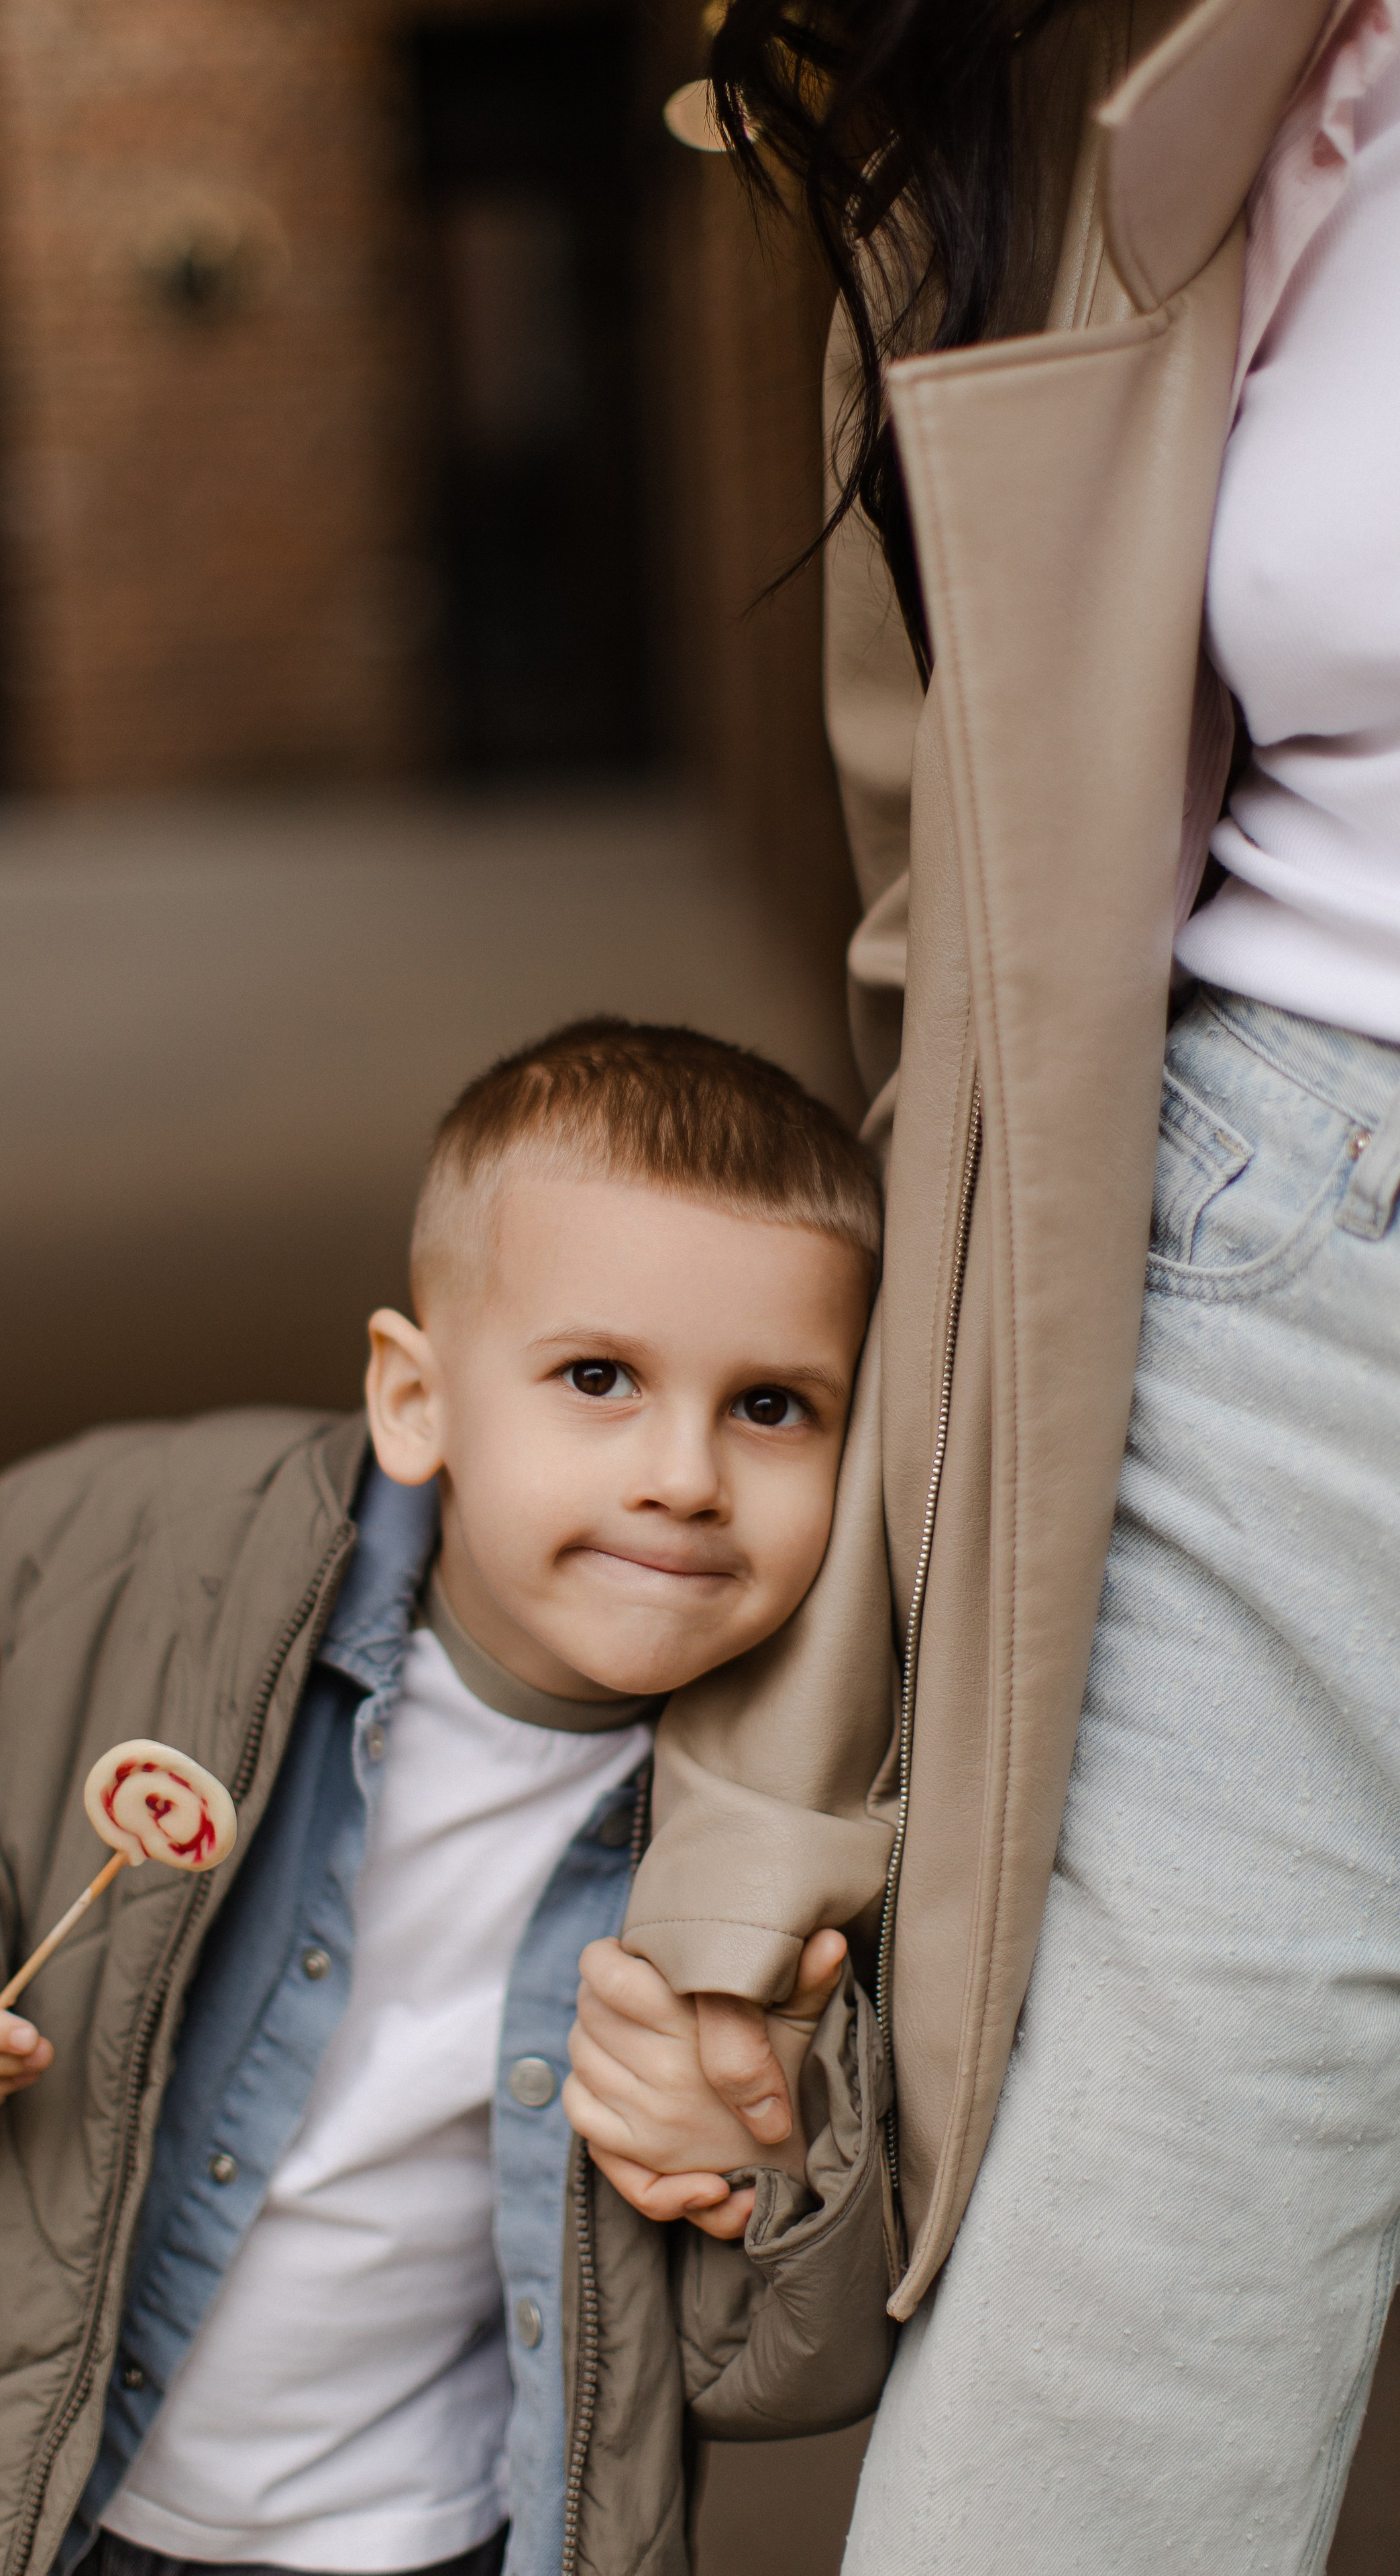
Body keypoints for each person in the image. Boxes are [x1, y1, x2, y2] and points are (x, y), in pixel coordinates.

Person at [576, 3, 1400, 2569]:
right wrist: (757, 1841)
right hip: (1283, 1267)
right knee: (1063, 2489)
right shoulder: (1175, 88)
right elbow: (963, 1043)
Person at [0, 1018, 895, 2576]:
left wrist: (759, 2168)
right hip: (42, 2494)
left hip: (447, 2534)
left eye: (771, 1406)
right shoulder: (143, 1535)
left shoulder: (801, 1830)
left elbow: (789, 2361)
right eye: (599, 1377)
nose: (682, 1474)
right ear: (414, 1400)